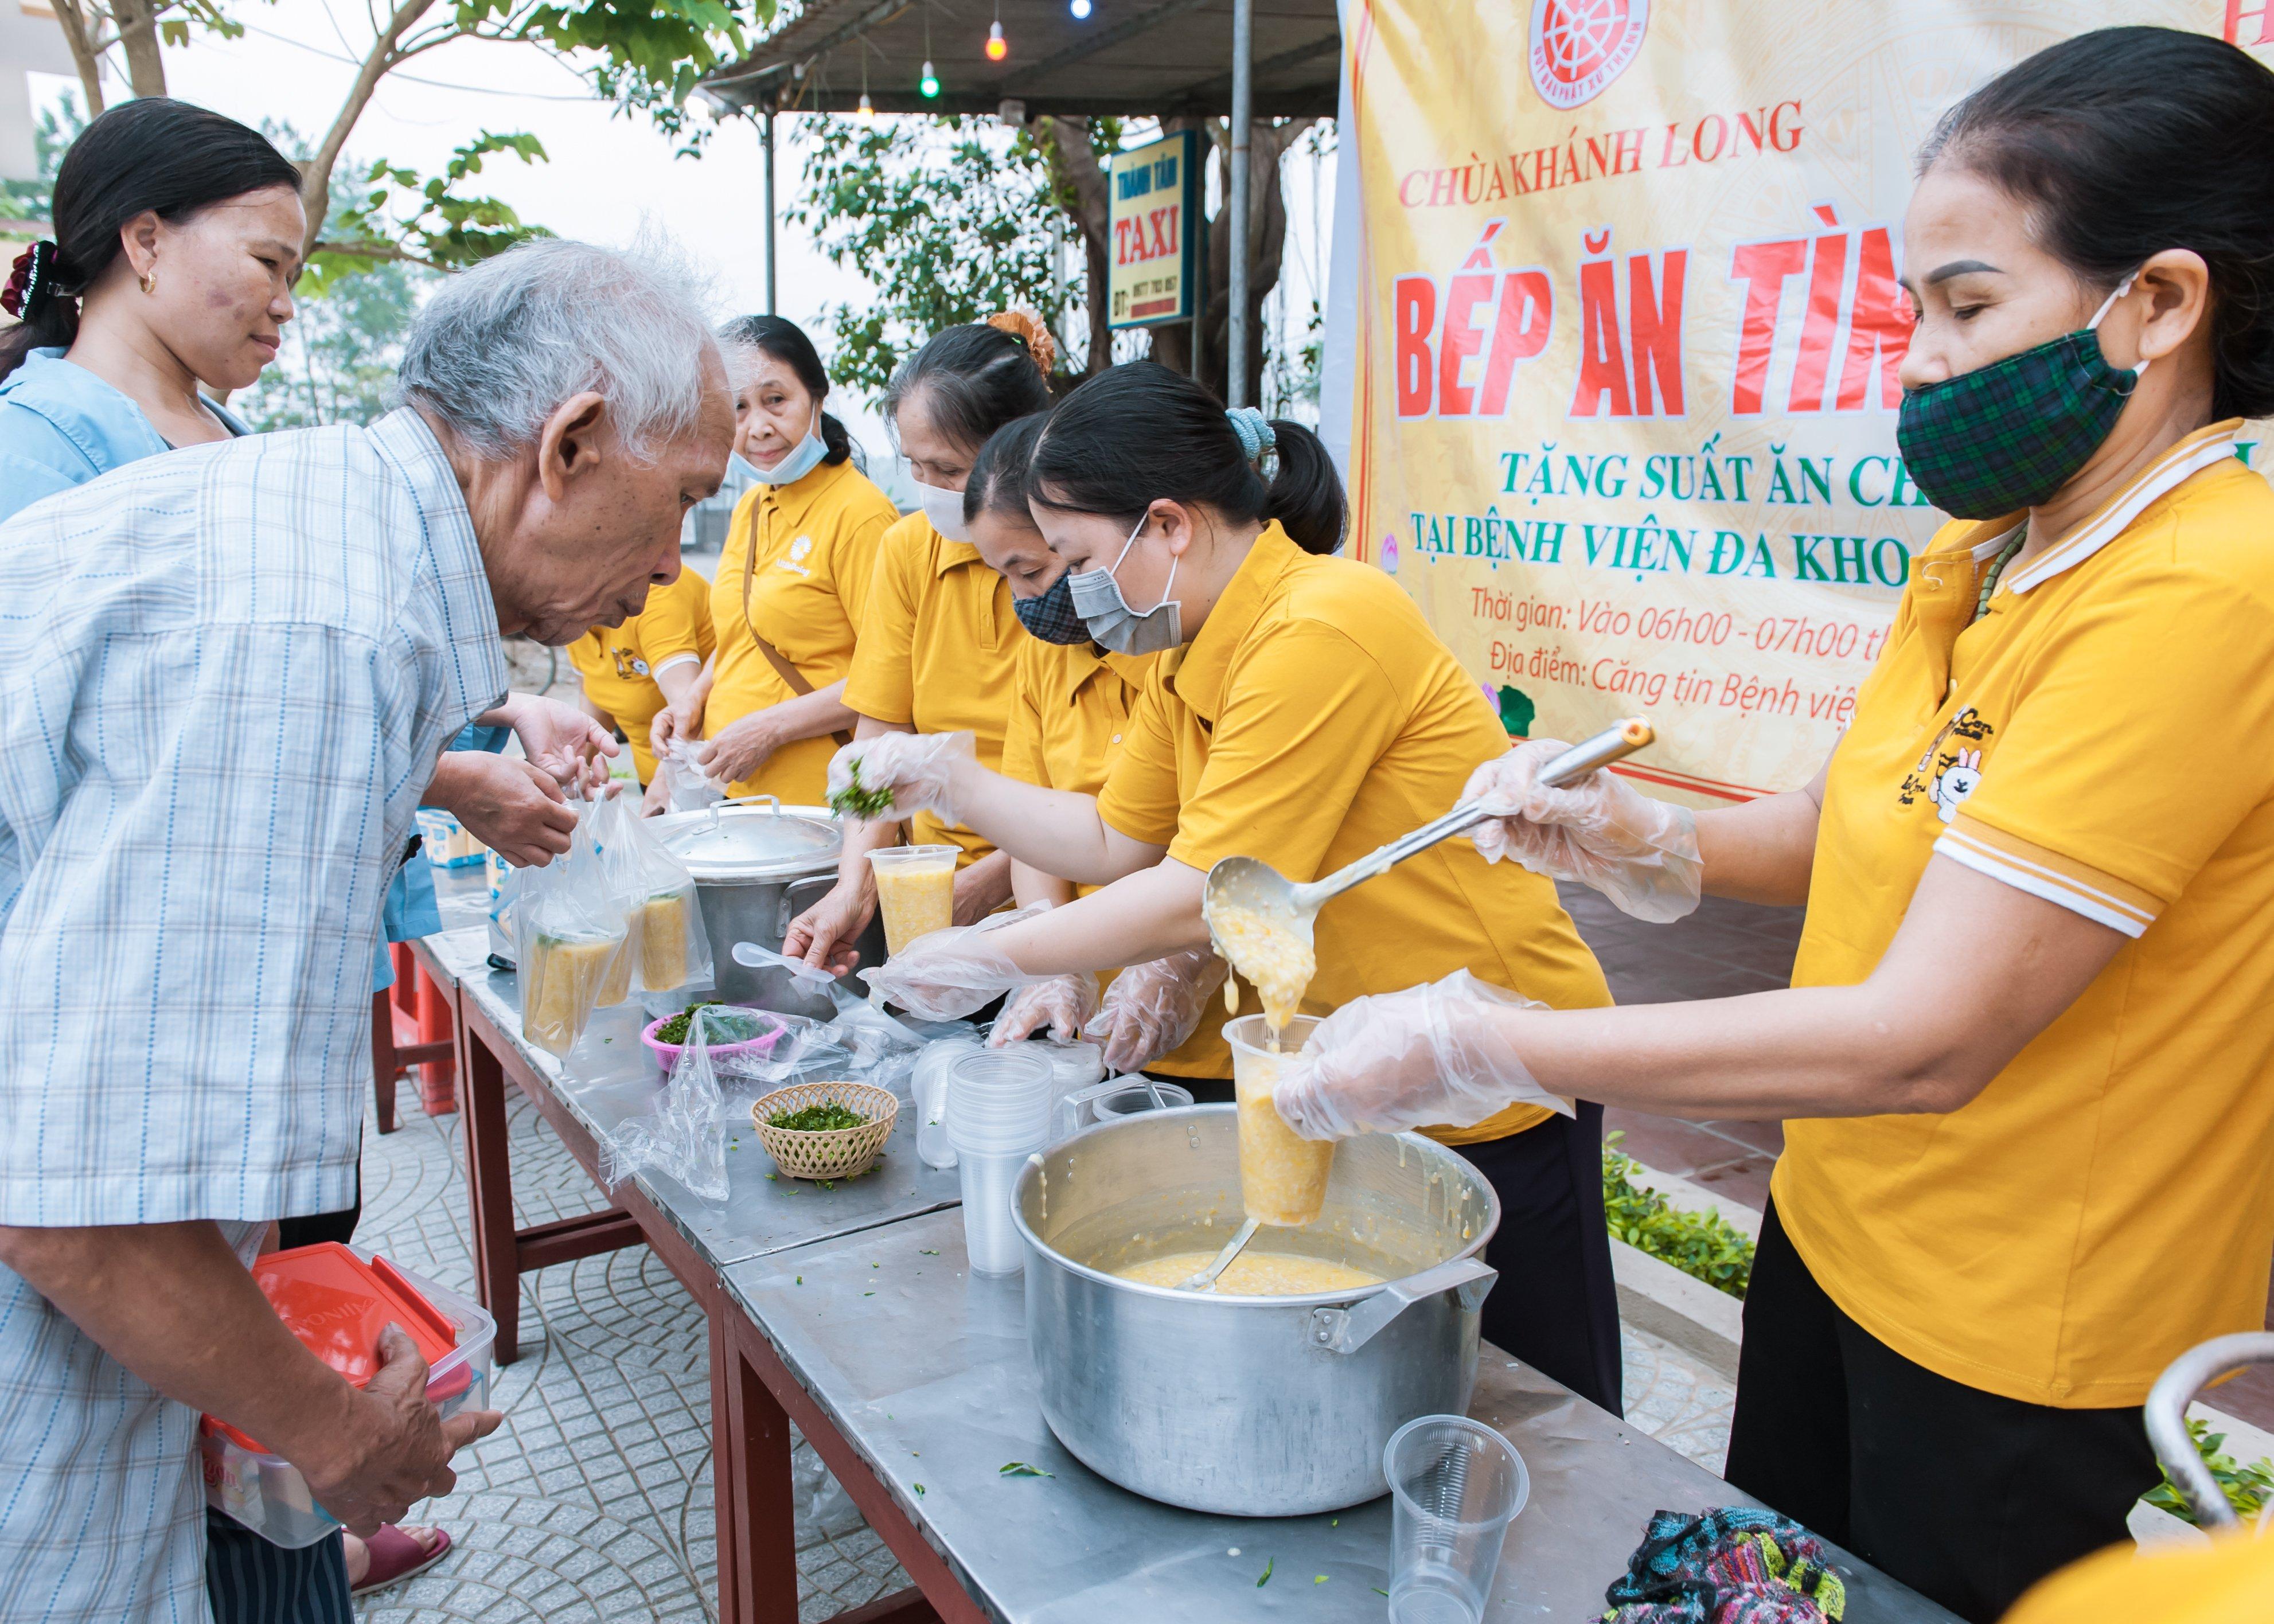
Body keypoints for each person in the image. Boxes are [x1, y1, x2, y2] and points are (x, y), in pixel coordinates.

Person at [1267, 28, 2274, 1623]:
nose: (1920, 364)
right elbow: (1836, 828)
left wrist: (1492, 1043)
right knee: (1777, 1591)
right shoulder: (1989, 556)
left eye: (1966, 307)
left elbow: (1921, 1042)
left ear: (2152, 303)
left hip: (2014, 1328)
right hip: (1836, 1228)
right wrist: (1617, 837)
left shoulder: (2207, 588)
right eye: (1910, 315)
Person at [0, 235, 734, 1624]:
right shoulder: (320, 630)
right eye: (678, 504)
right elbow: (80, 1208)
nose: (665, 567)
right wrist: (339, 1438)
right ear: (569, 441)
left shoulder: (324, 533)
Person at [811, 362, 1626, 1415]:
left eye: (1077, 559)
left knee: (1536, 1406)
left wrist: (995, 950)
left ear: (1167, 526)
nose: (1068, 591)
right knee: (1403, 1388)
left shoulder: (1322, 625)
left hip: (1490, 1057)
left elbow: (1201, 890)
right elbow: (1112, 836)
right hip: (1359, 1056)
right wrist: (952, 775)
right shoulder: (1189, 648)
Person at [958, 412, 1232, 1082]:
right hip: (1091, 1027)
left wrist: (1175, 963)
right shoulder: (1045, 660)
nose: (1022, 597)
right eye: (1002, 577)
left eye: (1049, 565)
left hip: (1225, 1028)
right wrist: (1053, 964)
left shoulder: (1192, 657)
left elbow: (1223, 862)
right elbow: (1083, 836)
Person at [782, 313, 1059, 965]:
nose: (929, 490)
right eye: (915, 467)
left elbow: (1098, 781)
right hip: (934, 883)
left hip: (1067, 890)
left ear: (1013, 454)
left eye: (948, 469)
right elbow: (878, 735)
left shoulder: (1071, 562)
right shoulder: (907, 551)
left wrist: (990, 884)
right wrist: (856, 884)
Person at [660, 315, 895, 805]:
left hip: (824, 804)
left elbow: (892, 676)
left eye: (776, 400)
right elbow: (739, 637)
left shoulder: (860, 514)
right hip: (738, 798)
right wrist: (693, 700)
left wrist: (769, 729)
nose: (758, 427)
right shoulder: (751, 505)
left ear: (817, 398)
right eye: (739, 409)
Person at [566, 563, 713, 799]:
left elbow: (687, 709)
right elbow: (594, 695)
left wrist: (668, 781)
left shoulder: (655, 595)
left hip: (702, 780)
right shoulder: (572, 616)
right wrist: (573, 769)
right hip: (654, 777)